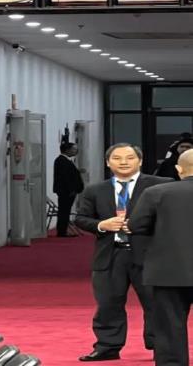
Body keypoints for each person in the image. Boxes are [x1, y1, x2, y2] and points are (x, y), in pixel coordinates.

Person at [74, 143, 172, 362]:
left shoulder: (161, 185)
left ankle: (160, 346)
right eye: (117, 158)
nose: (124, 162)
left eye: (129, 158)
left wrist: (142, 226)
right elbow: (80, 218)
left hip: (149, 255)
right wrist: (102, 225)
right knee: (107, 303)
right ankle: (107, 346)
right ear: (108, 163)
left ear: (140, 161)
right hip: (110, 254)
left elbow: (170, 217)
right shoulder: (94, 190)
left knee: (156, 303)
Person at [128, 149, 193, 366]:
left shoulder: (156, 192)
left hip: (168, 270)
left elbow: (135, 226)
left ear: (179, 169)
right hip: (170, 270)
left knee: (169, 324)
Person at [53, 142, 84, 237]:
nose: (76, 151)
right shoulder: (61, 160)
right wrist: (71, 190)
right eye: (74, 149)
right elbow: (65, 177)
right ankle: (62, 231)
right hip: (66, 191)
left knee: (66, 211)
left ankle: (63, 230)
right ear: (67, 150)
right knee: (64, 211)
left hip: (68, 191)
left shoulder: (66, 160)